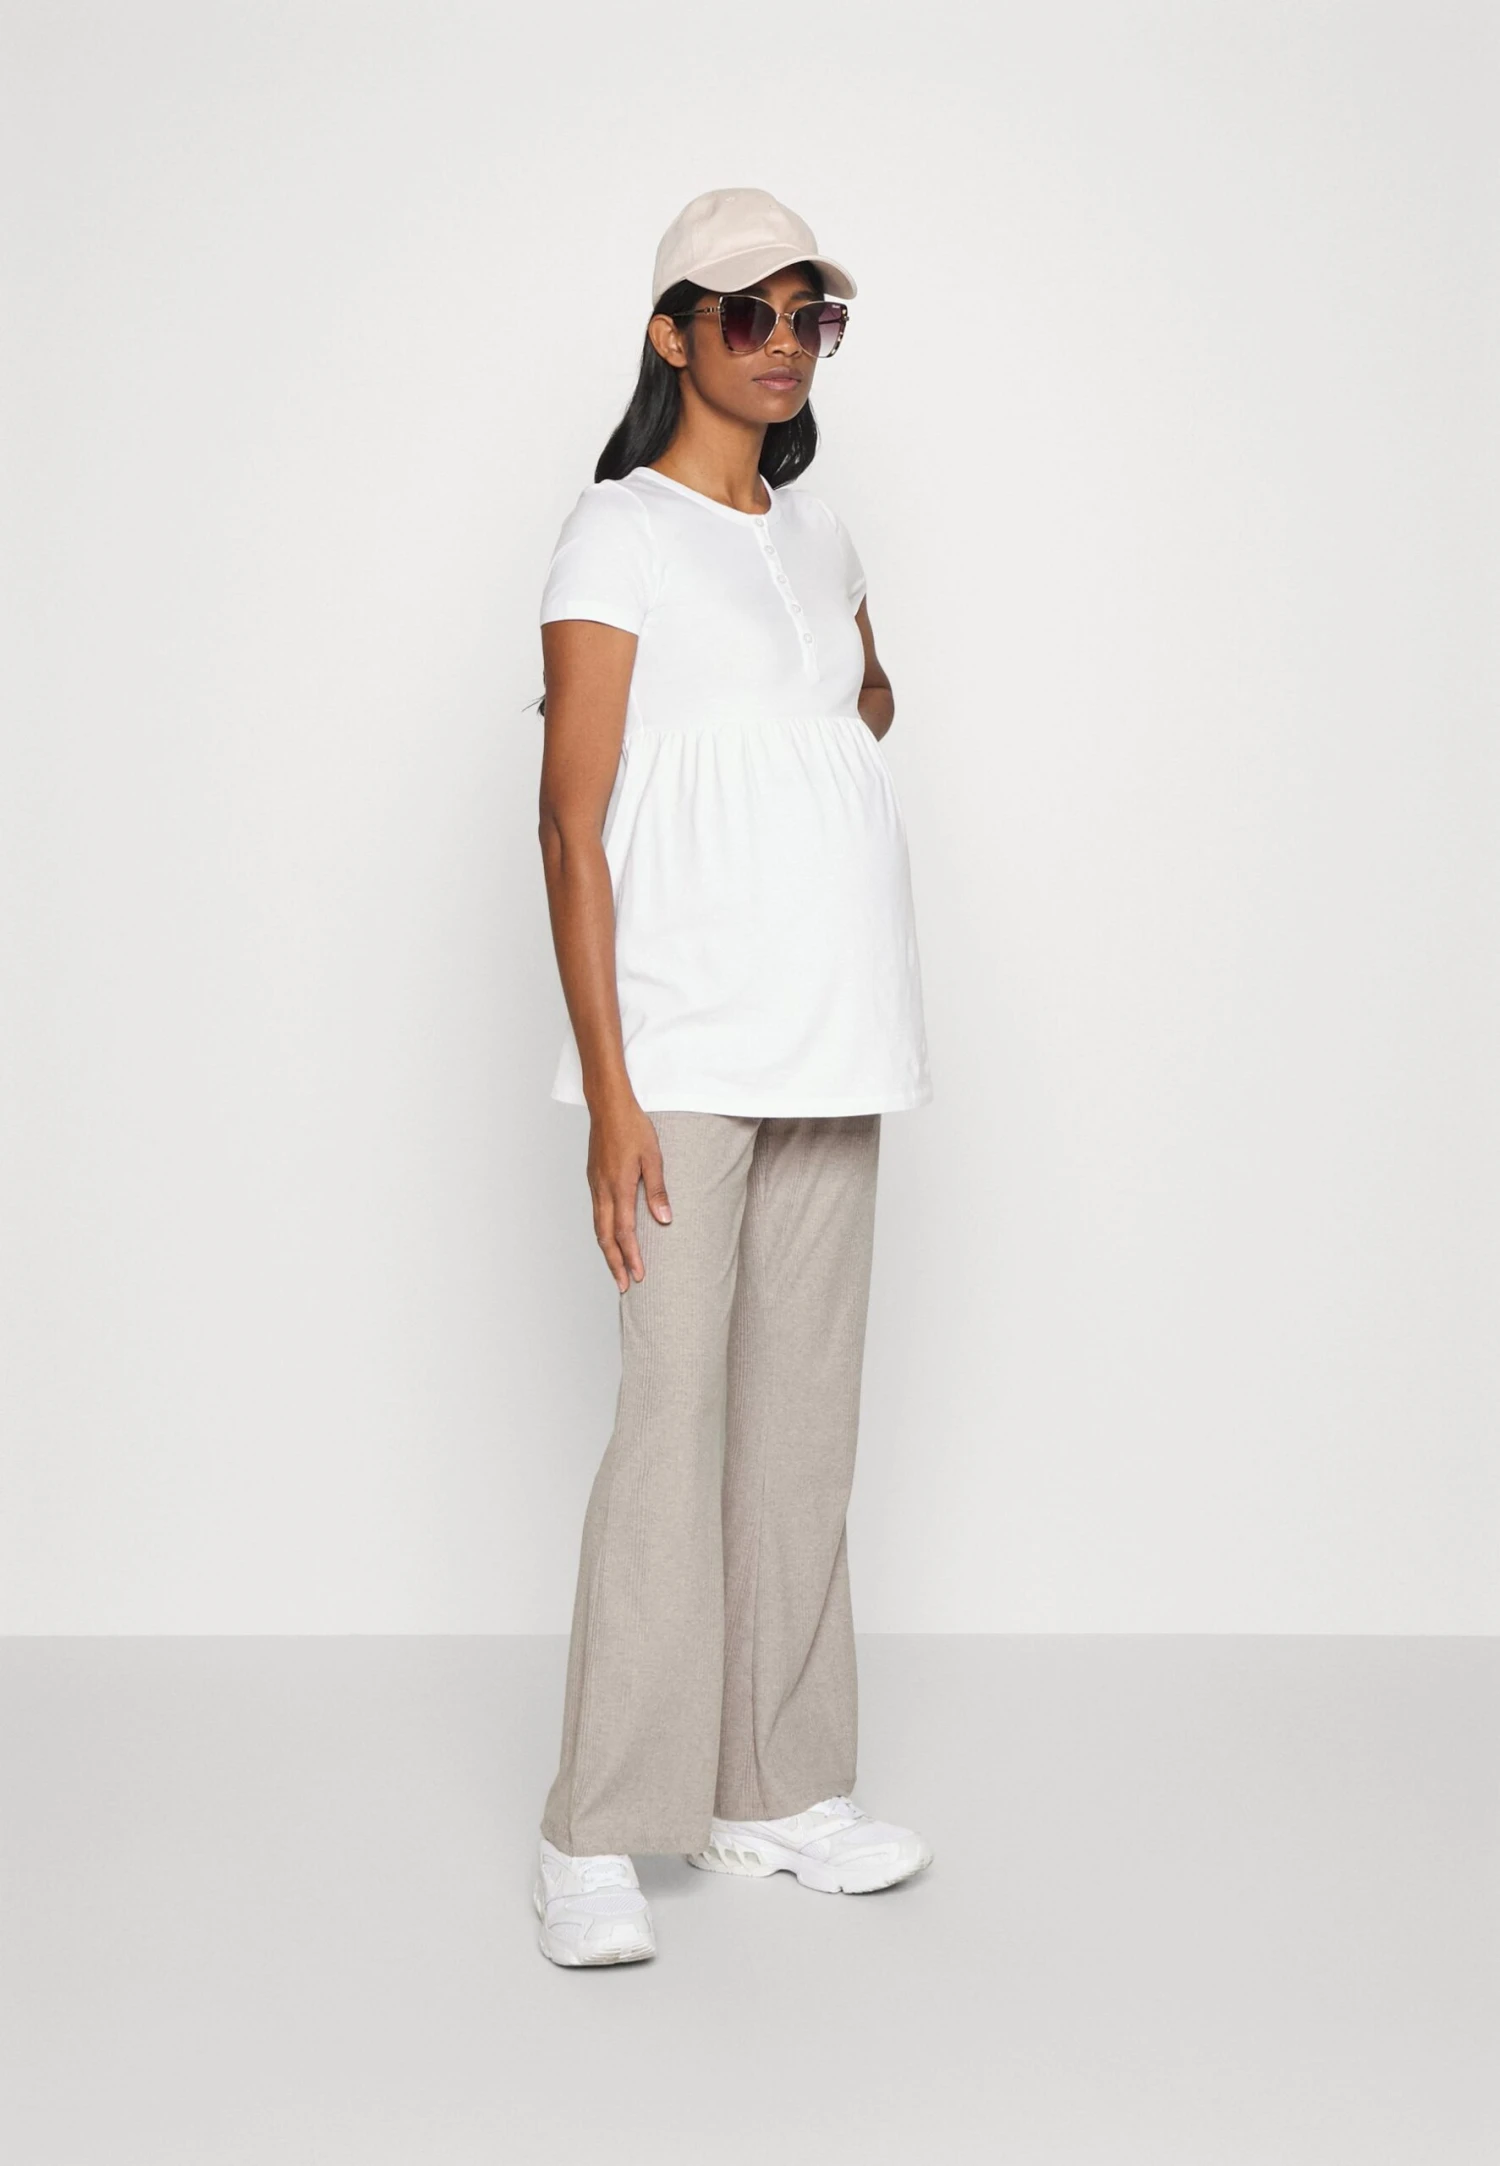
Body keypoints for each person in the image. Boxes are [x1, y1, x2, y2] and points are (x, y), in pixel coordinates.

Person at [530, 186, 935, 1968]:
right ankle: (596, 1825)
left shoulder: (822, 535)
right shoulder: (614, 530)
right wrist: (611, 1094)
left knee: (801, 1425)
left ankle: (777, 1788)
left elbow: (865, 698)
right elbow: (569, 822)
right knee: (671, 1419)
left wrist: (803, 772)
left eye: (808, 317)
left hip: (841, 1025)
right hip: (686, 1042)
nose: (783, 345)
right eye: (748, 313)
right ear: (672, 332)